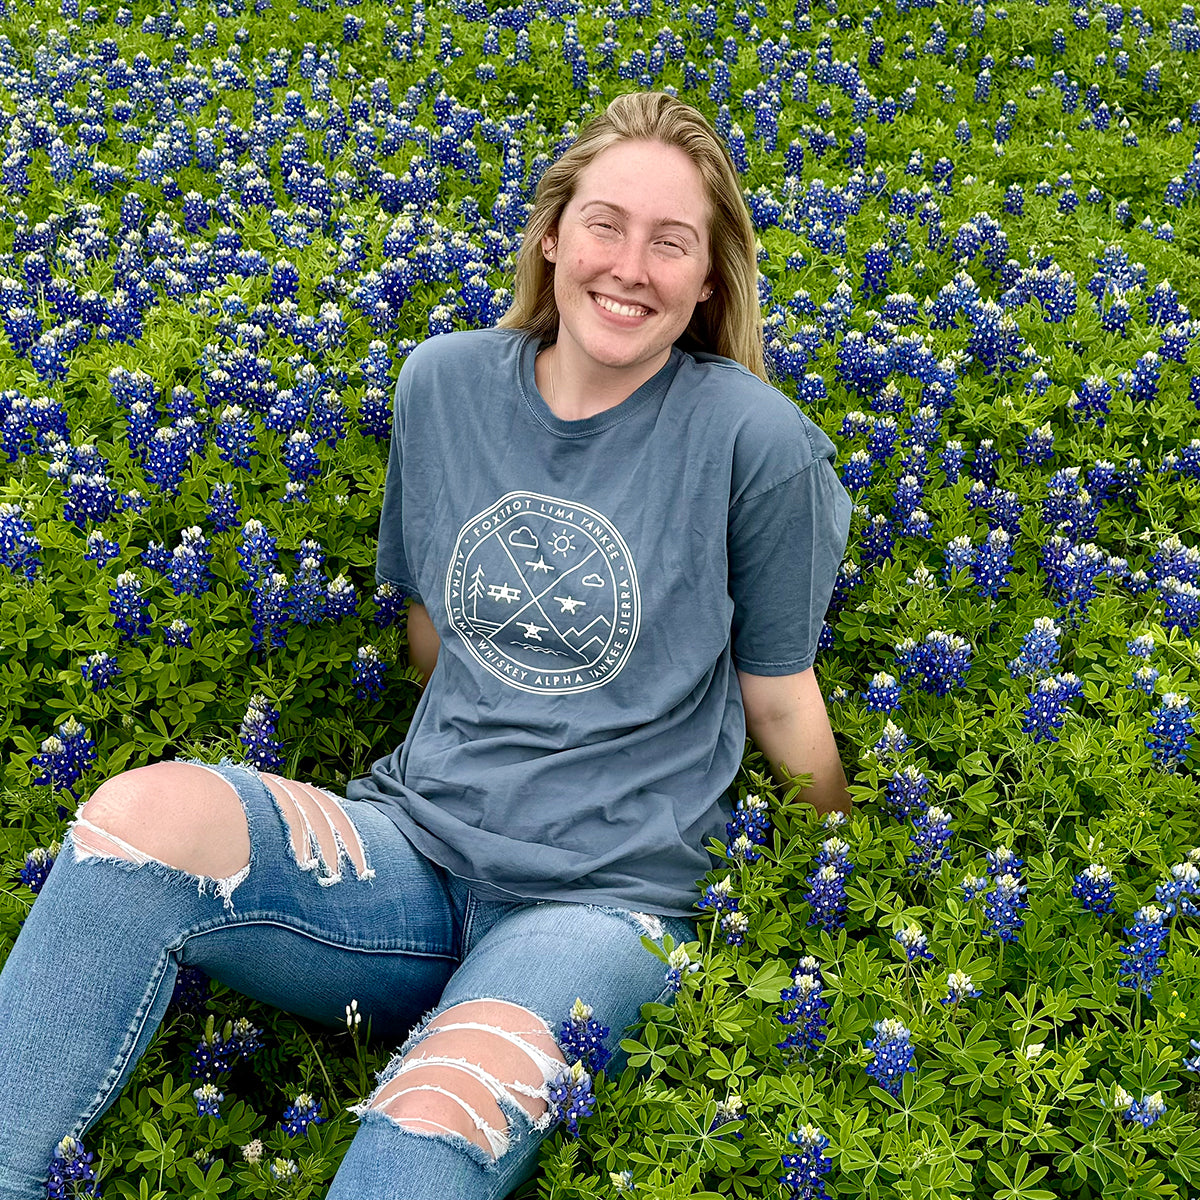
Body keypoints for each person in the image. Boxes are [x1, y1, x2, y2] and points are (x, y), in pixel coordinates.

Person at [0, 91, 851, 1200]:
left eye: (671, 241)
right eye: (605, 223)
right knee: (137, 816)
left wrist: (846, 875)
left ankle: (480, 1015)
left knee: (436, 1100)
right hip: (411, 859)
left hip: (598, 906)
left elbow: (780, 695)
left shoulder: (757, 440)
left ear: (707, 279)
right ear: (552, 235)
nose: (630, 265)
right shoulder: (443, 383)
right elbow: (431, 642)